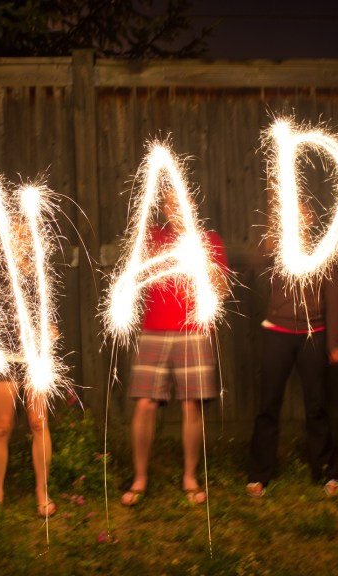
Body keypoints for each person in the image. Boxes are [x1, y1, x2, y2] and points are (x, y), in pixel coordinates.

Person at [120, 193, 230, 506]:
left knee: (191, 405)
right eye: (168, 204)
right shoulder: (153, 236)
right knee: (144, 405)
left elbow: (222, 290)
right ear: (164, 209)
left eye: (179, 203)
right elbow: (136, 274)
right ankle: (139, 479)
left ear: (192, 204)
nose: (174, 209)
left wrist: (202, 261)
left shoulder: (209, 240)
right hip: (154, 329)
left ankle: (190, 477)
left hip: (193, 331)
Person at [246, 227, 338, 498]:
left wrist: (334, 342)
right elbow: (254, 264)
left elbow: (334, 295)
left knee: (317, 405)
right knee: (268, 404)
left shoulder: (325, 247)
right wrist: (268, 241)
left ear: (311, 219)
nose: (298, 218)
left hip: (314, 334)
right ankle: (259, 474)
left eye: (304, 213)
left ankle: (327, 471)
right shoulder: (276, 245)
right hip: (277, 332)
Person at [0, 219, 57, 519]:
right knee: (1, 426)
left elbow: (51, 310)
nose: (20, 237)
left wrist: (51, 328)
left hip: (35, 356)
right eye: (13, 231)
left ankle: (42, 492)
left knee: (39, 423)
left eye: (25, 231)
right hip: (2, 355)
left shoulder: (40, 272)